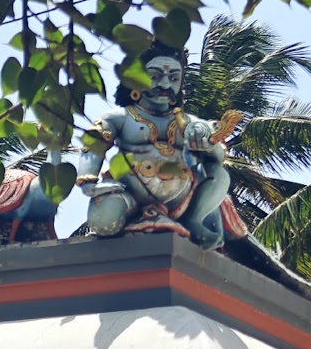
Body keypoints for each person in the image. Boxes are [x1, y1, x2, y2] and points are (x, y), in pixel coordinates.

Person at [79, 43, 239, 248]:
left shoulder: (189, 122)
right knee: (104, 224)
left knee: (219, 173)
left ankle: (193, 219)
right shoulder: (120, 118)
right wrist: (88, 182)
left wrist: (208, 143)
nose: (165, 84)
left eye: (173, 78)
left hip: (182, 202)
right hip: (129, 195)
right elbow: (93, 145)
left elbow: (217, 159)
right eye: (155, 76)